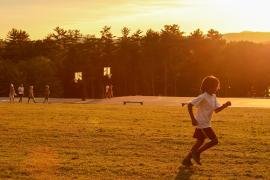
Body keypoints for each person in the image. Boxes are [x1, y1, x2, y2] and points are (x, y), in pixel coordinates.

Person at [182, 75, 231, 166]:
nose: (217, 89)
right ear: (208, 87)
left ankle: (187, 160)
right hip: (202, 123)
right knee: (214, 141)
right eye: (215, 87)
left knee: (200, 141)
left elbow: (216, 110)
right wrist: (193, 119)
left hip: (206, 123)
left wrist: (225, 105)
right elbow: (190, 105)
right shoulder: (203, 96)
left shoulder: (213, 96)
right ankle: (197, 153)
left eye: (217, 87)